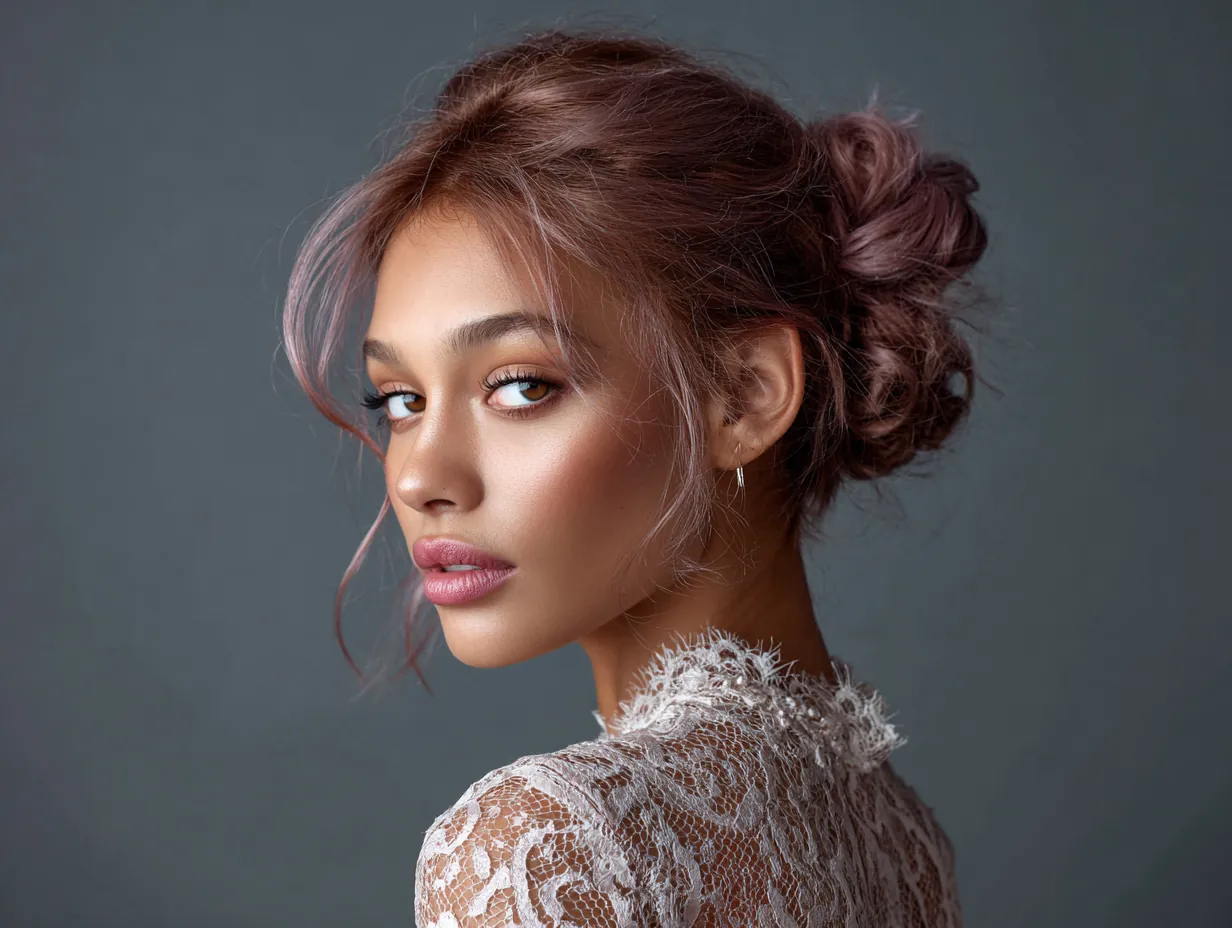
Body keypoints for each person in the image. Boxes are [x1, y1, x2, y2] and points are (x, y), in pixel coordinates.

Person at [282, 26, 989, 928]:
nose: (421, 475)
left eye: (519, 385)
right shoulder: (903, 845)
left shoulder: (545, 843)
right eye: (400, 399)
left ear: (743, 396)